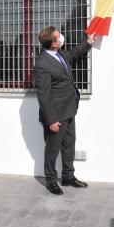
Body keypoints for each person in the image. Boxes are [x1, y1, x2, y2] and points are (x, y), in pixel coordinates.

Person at [33, 26, 96, 195]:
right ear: (53, 43)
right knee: (52, 150)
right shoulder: (42, 64)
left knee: (69, 145)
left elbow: (72, 54)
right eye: (58, 36)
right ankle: (51, 181)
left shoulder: (58, 54)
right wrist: (51, 120)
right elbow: (43, 95)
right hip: (55, 116)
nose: (61, 37)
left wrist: (88, 42)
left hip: (69, 110)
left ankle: (68, 176)